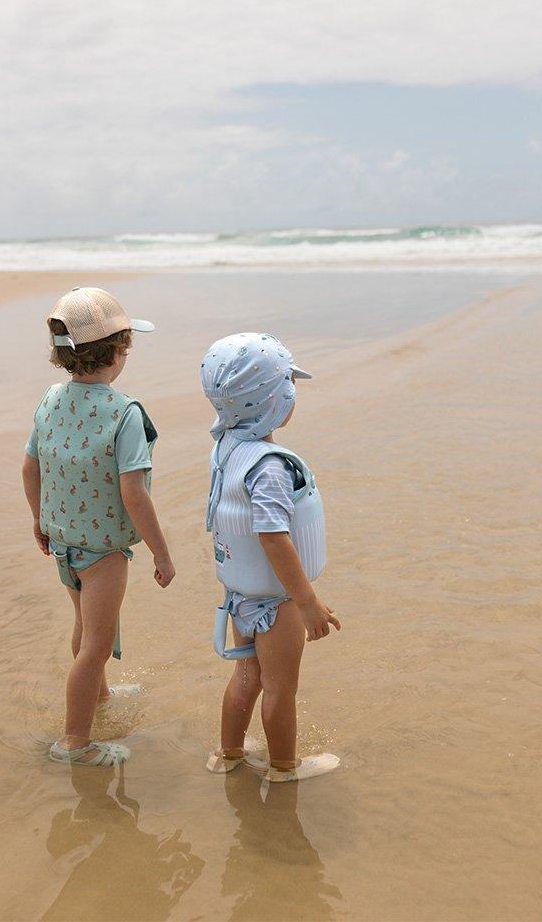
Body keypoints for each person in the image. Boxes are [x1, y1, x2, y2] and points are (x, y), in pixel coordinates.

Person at [22, 287, 175, 767]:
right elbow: (134, 493)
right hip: (103, 551)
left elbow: (31, 468)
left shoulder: (50, 399)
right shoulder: (124, 413)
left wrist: (38, 520)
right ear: (117, 350)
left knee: (84, 626)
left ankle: (101, 693)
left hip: (63, 541)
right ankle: (75, 741)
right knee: (96, 644)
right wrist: (161, 553)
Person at [200, 333, 342, 782]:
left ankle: (229, 755)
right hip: (277, 602)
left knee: (247, 677)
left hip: (241, 592)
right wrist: (306, 602)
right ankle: (284, 768)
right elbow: (274, 536)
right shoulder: (271, 467)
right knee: (281, 688)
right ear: (275, 402)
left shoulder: (227, 450)